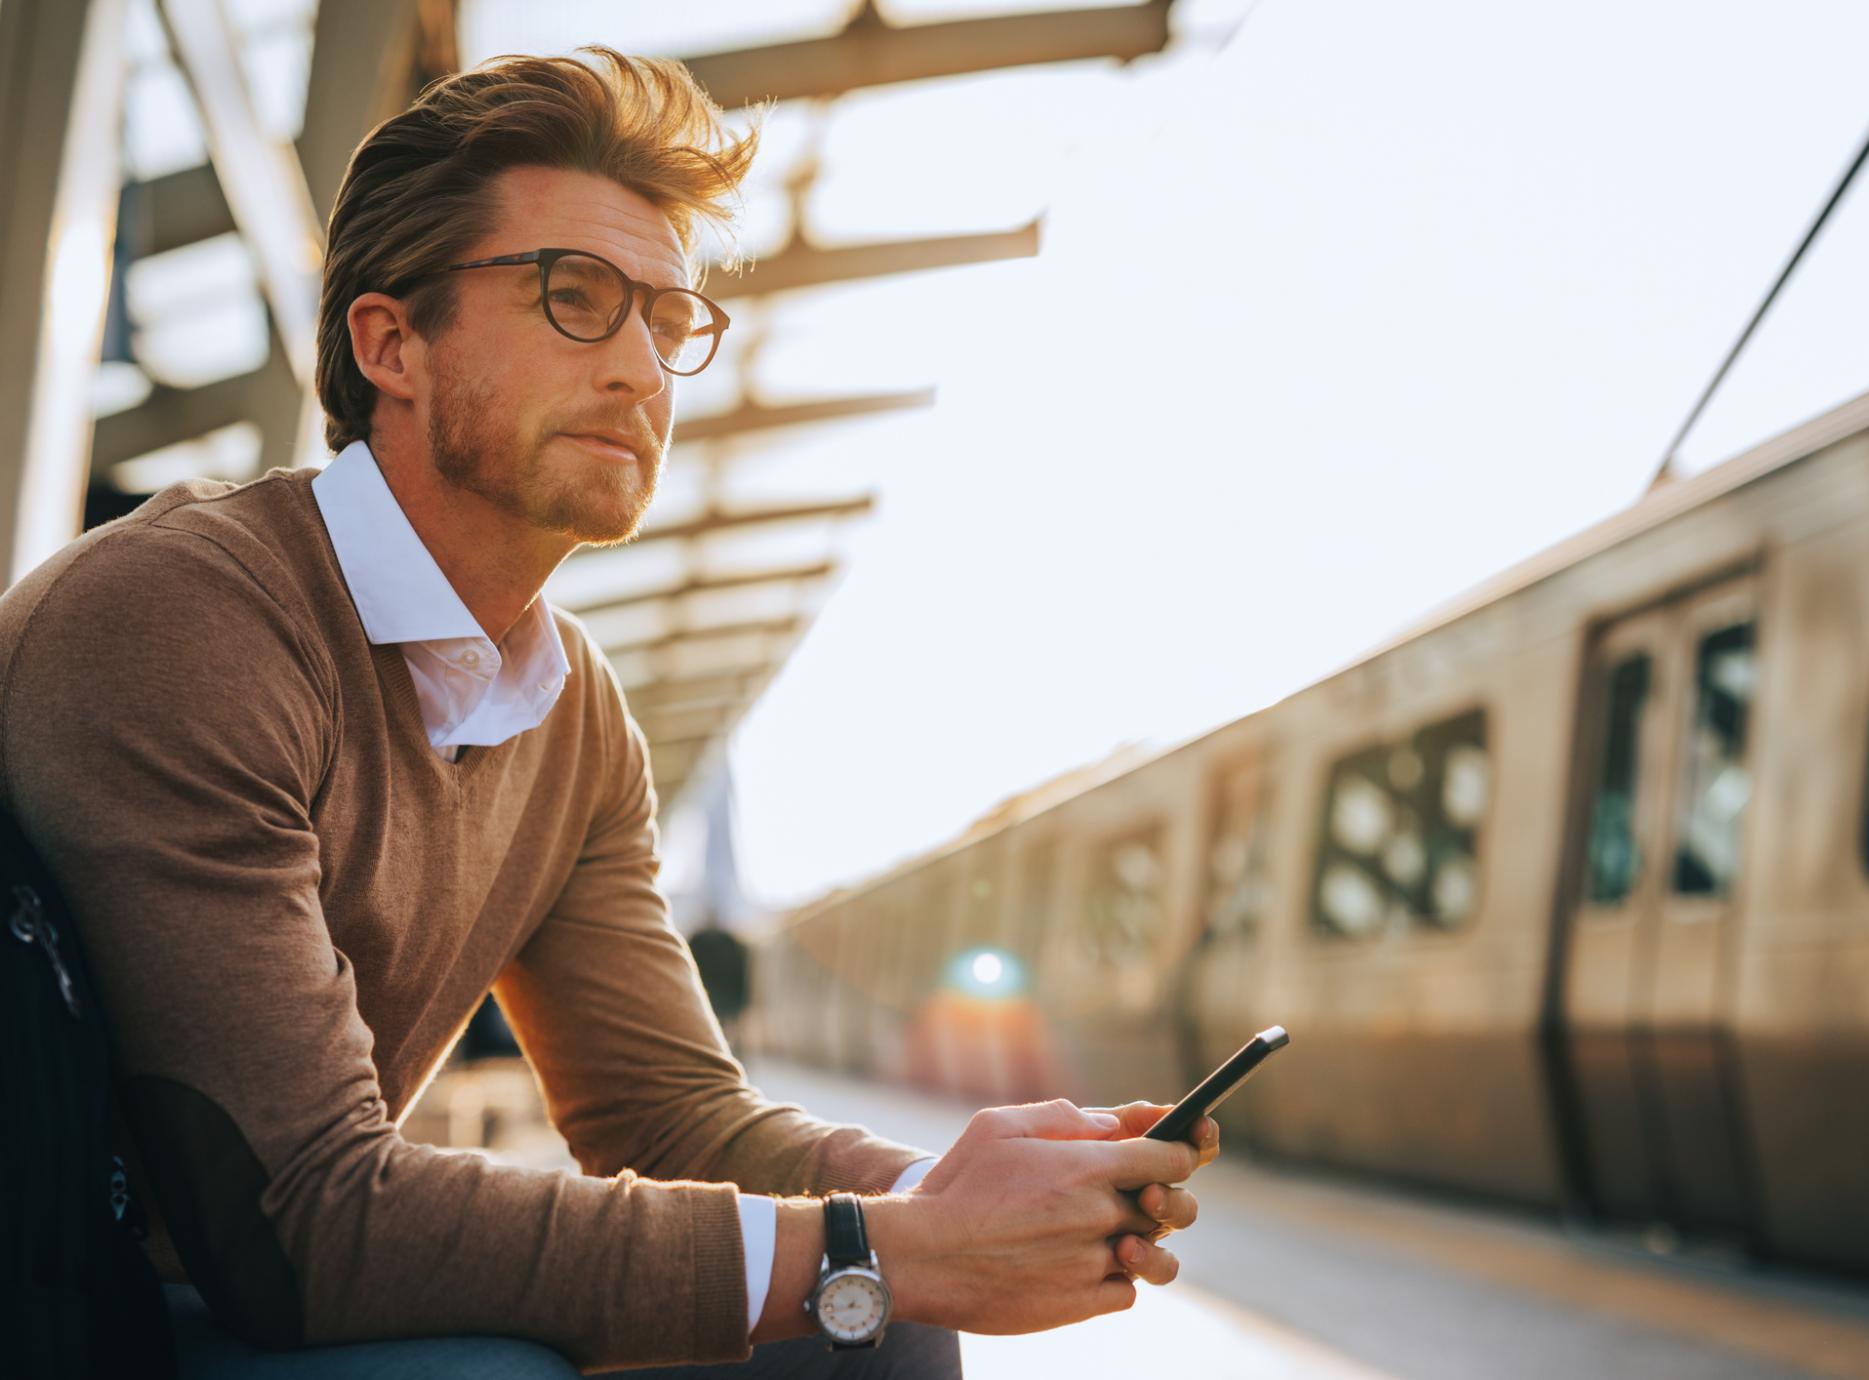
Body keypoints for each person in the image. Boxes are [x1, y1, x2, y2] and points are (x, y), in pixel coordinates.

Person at [0, 48, 1216, 1377]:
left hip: (249, 1283)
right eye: (576, 298)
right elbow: (303, 1220)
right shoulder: (183, 621)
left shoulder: (574, 717)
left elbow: (667, 1110)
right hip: (95, 1305)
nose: (643, 369)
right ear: (389, 343)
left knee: (876, 1329)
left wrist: (949, 1187)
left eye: (668, 319)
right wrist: (888, 1246)